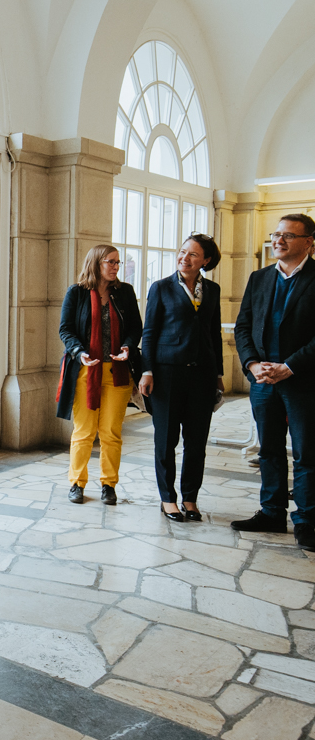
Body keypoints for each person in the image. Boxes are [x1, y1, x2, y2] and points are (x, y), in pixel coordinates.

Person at [231, 214, 315, 549]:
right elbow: (243, 326)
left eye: (288, 236)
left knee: (307, 453)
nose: (278, 241)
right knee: (269, 450)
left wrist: (291, 366)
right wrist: (252, 364)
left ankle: (307, 521)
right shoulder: (260, 277)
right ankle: (271, 512)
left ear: (309, 240)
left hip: (304, 381)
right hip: (264, 382)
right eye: (276, 234)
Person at [139, 234, 224, 522]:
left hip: (202, 374)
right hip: (166, 374)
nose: (184, 258)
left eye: (193, 254)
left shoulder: (212, 290)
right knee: (165, 441)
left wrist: (219, 374)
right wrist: (146, 370)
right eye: (182, 251)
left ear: (206, 260)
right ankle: (167, 499)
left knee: (196, 441)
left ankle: (190, 498)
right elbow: (149, 332)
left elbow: (214, 335)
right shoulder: (161, 288)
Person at [56, 244, 142, 505]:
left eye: (118, 263)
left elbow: (136, 327)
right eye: (111, 262)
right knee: (83, 431)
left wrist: (127, 346)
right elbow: (65, 329)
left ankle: (108, 485)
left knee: (111, 432)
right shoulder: (77, 293)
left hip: (117, 372)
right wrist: (78, 351)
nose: (116, 267)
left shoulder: (125, 292)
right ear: (96, 263)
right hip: (86, 370)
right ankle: (77, 483)